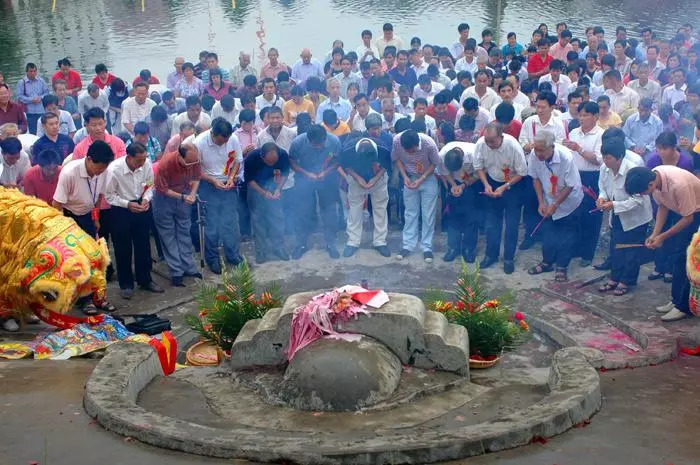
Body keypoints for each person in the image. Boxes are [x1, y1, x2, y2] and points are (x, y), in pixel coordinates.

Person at [625, 165, 700, 321]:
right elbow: (663, 206)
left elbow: (689, 218)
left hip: (695, 214)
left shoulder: (679, 185)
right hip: (681, 212)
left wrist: (662, 237)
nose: (643, 195)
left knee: (688, 261)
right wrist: (655, 234)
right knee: (676, 258)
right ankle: (676, 300)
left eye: (643, 192)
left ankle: (683, 307)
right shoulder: (654, 176)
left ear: (651, 185)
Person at [52, 139, 116, 313]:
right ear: (89, 159)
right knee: (78, 261)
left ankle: (99, 296)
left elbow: (98, 197)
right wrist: (59, 231)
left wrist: (95, 218)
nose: (100, 172)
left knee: (96, 257)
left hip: (88, 216)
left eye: (104, 168)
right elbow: (57, 204)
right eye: (98, 167)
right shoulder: (69, 173)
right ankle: (84, 299)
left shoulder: (104, 172)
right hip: (69, 218)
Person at [104, 141, 163, 298]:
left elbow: (151, 185)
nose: (142, 163)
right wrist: (127, 204)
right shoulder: (114, 170)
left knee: (143, 245)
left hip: (141, 205)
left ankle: (145, 279)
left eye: (144, 159)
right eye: (139, 160)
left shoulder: (146, 164)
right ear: (128, 158)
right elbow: (109, 196)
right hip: (121, 209)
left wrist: (146, 199)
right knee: (123, 248)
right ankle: (126, 284)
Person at [526, 130, 583, 282]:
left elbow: (570, 185)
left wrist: (556, 204)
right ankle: (547, 263)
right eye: (536, 149)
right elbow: (535, 178)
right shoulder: (534, 155)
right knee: (548, 233)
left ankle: (562, 266)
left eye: (541, 150)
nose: (537, 153)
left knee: (566, 235)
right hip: (549, 198)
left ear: (552, 147)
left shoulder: (566, 157)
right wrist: (541, 202)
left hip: (569, 201)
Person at [188, 117, 244, 273]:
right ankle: (213, 259)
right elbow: (195, 170)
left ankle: (232, 255)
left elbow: (237, 161)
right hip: (207, 184)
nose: (223, 144)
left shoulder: (232, 138)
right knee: (211, 224)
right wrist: (213, 181)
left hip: (228, 183)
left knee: (230, 221)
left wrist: (231, 178)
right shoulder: (199, 143)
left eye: (226, 141)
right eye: (220, 141)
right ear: (213, 133)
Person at [474, 122, 528, 274]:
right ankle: (491, 254)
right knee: (492, 222)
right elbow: (478, 167)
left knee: (511, 224)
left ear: (501, 137)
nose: (489, 144)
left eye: (493, 141)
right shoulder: (481, 144)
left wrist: (505, 187)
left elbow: (522, 172)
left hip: (513, 186)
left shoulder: (513, 146)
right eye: (487, 140)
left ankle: (509, 257)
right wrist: (486, 185)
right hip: (492, 181)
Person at [645, 132, 694, 283]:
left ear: (674, 148)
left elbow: (687, 188)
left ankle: (671, 269)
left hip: (682, 202)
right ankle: (659, 266)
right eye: (658, 148)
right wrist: (656, 234)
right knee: (659, 230)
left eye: (664, 148)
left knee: (676, 235)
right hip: (663, 202)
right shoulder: (653, 159)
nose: (661, 152)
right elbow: (649, 182)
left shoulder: (685, 161)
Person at [288, 124, 341, 259]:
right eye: (314, 145)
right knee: (303, 212)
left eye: (320, 145)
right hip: (304, 177)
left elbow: (337, 162)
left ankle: (331, 244)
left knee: (329, 211)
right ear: (308, 140)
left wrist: (325, 172)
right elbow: (292, 163)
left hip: (327, 179)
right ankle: (301, 244)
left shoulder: (334, 141)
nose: (318, 147)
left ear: (325, 139)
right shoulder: (298, 143)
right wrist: (307, 174)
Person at [153, 142, 202, 286]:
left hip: (184, 194)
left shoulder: (195, 159)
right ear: (180, 156)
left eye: (194, 162)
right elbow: (162, 188)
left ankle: (189, 267)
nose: (191, 165)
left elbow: (197, 178)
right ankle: (176, 271)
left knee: (184, 231)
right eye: (188, 163)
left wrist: (192, 194)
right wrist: (182, 197)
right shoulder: (166, 163)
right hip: (165, 198)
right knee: (168, 235)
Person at [563, 101, 604, 266]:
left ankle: (588, 254)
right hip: (575, 176)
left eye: (586, 115)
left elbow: (598, 160)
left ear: (595, 116)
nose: (582, 118)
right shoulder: (573, 132)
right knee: (575, 215)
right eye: (580, 115)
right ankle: (576, 249)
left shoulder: (601, 135)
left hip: (592, 178)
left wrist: (579, 149)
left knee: (591, 218)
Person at [391, 129, 441, 262]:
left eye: (411, 151)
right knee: (410, 213)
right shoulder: (397, 140)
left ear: (417, 144)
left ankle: (427, 247)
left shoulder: (428, 144)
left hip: (428, 179)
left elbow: (435, 163)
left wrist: (422, 178)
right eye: (405, 151)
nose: (408, 153)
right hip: (410, 178)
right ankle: (408, 245)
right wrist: (405, 176)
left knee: (428, 214)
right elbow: (396, 159)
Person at [340, 136, 391, 258]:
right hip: (356, 178)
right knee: (354, 210)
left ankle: (380, 242)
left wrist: (375, 179)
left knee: (380, 209)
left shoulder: (383, 149)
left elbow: (386, 167)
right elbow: (346, 167)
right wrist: (358, 178)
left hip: (378, 179)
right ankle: (353, 241)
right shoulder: (348, 149)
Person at [243, 142, 290, 263]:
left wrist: (278, 189)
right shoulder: (252, 158)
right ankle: (261, 251)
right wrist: (264, 193)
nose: (272, 164)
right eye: (269, 162)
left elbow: (285, 173)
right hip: (256, 190)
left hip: (274, 188)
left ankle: (279, 248)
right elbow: (250, 180)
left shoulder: (283, 154)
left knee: (277, 219)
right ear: (262, 156)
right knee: (258, 221)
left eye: (274, 162)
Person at [439, 141, 482, 262]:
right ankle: (453, 248)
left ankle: (469, 248)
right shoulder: (442, 155)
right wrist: (453, 186)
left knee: (471, 216)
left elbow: (479, 173)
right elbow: (445, 173)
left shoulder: (475, 154)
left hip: (472, 181)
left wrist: (463, 186)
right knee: (453, 215)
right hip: (454, 182)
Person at [16, 63, 50, 134]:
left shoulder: (41, 81)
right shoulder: (21, 82)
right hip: (29, 111)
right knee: (32, 131)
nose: (33, 73)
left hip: (41, 110)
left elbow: (46, 92)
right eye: (31, 71)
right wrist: (31, 100)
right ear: (27, 72)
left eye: (34, 71)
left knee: (43, 129)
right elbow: (20, 96)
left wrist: (41, 98)